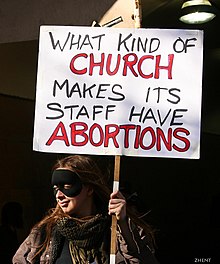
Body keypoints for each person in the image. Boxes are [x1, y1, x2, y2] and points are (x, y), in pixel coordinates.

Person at [13, 154, 159, 263]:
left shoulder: (116, 229)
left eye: (67, 187)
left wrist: (123, 224)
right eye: (56, 189)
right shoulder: (44, 233)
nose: (59, 195)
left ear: (89, 189)